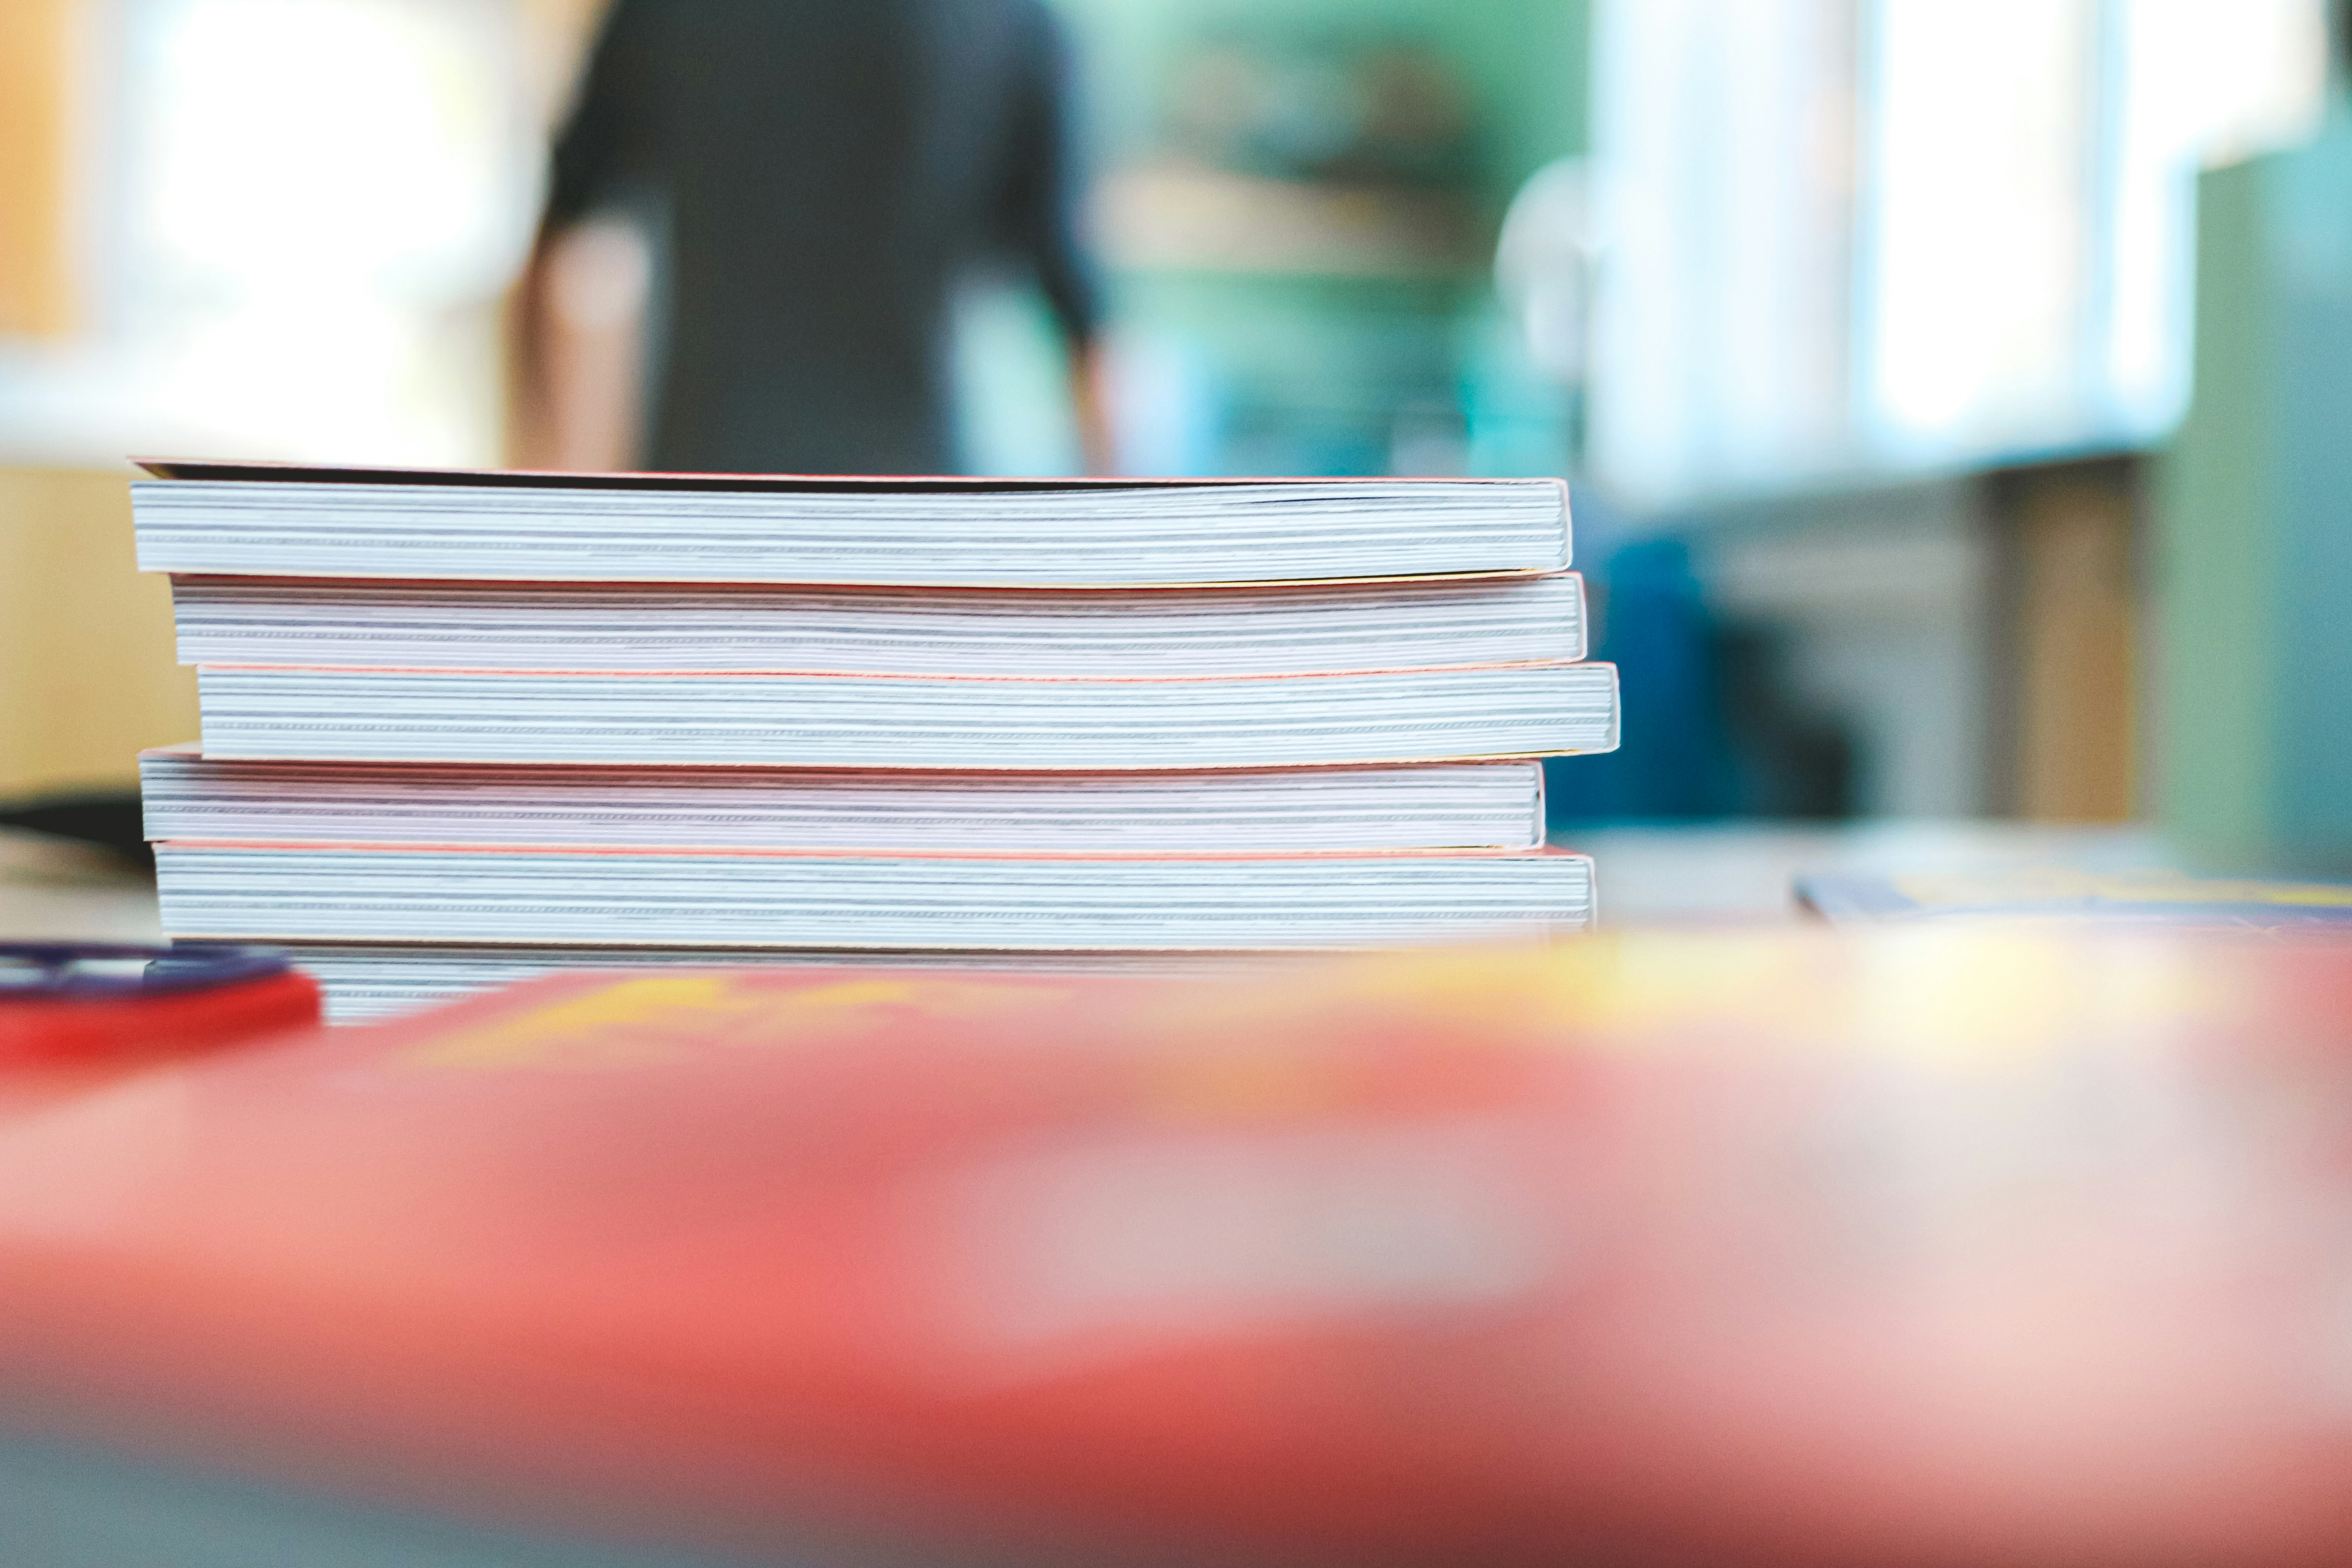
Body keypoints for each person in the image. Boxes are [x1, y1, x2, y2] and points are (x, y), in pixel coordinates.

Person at [514, 0, 1111, 476]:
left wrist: (562, 465)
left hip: (704, 488)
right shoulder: (1014, 19)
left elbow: (562, 235)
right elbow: (1083, 310)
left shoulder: (669, 12)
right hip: (915, 502)